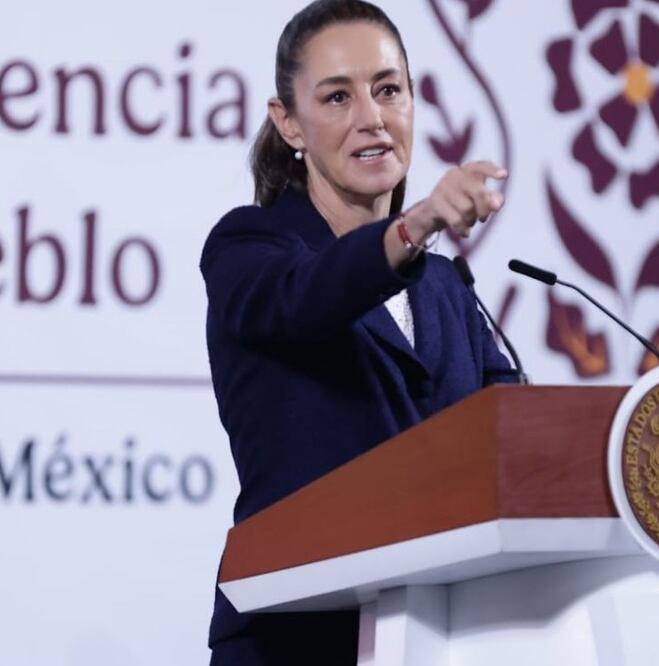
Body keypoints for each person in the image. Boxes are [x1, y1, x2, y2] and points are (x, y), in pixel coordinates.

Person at [200, 1, 518, 663]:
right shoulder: (247, 249)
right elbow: (310, 298)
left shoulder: (444, 287)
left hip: (442, 636)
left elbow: (511, 438)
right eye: (337, 97)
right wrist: (415, 225)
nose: (372, 118)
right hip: (297, 638)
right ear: (288, 122)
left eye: (388, 90)